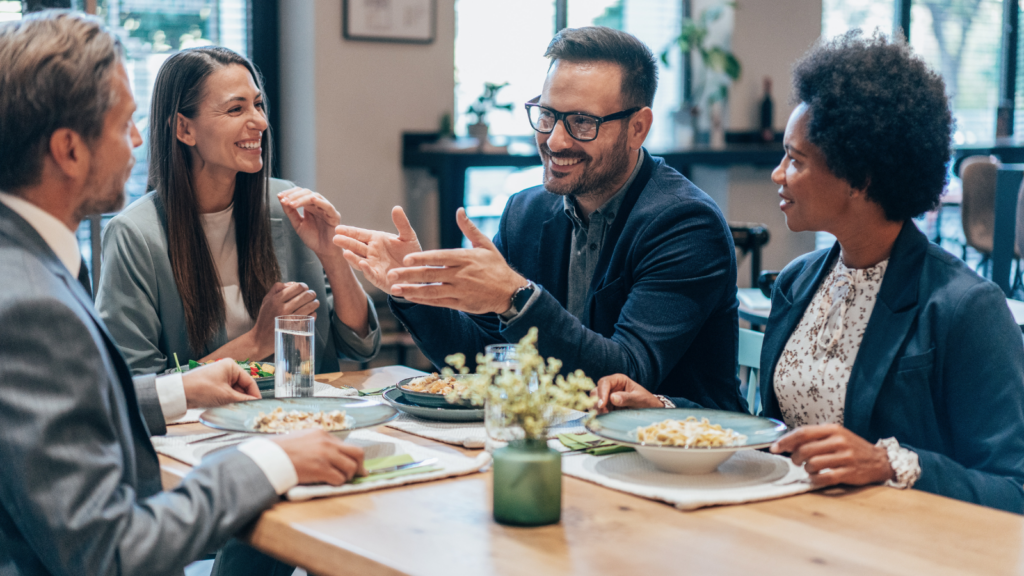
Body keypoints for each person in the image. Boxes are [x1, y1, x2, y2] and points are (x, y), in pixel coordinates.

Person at [593, 31, 1024, 513]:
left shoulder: (965, 307)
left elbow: (1014, 486)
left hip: (902, 539)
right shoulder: (798, 282)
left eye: (795, 160)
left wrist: (889, 463)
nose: (777, 173)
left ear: (860, 178)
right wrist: (663, 410)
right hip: (797, 524)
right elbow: (771, 437)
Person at [0, 12, 368, 575]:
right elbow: (107, 553)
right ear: (70, 150)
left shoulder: (32, 263)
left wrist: (180, 389)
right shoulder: (31, 303)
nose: (137, 140)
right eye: (124, 123)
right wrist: (267, 460)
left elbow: (85, 401)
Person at [335, 26, 744, 411]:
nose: (555, 140)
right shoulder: (525, 213)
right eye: (547, 114)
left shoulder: (686, 225)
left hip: (683, 448)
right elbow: (481, 363)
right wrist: (414, 290)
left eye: (582, 122)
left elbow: (626, 376)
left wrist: (516, 298)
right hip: (563, 439)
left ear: (638, 128)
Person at [96, 46, 380, 376]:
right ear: (184, 129)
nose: (260, 122)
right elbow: (137, 387)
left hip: (304, 406)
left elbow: (359, 344)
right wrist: (256, 342)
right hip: (211, 414)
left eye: (258, 105)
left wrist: (333, 257)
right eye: (235, 109)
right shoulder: (134, 235)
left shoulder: (288, 206)